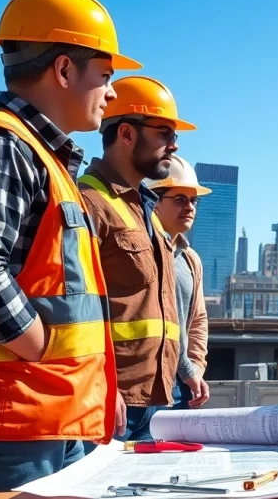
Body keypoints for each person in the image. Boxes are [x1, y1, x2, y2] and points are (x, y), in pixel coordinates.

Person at [0, 0, 139, 493]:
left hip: (48, 416)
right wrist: (40, 347)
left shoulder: (42, 157)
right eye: (105, 76)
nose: (111, 94)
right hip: (10, 421)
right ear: (65, 69)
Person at [79, 75, 195, 442]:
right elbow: (76, 310)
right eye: (164, 133)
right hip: (111, 403)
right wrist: (101, 382)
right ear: (127, 133)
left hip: (156, 400)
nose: (174, 145)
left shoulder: (146, 212)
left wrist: (183, 371)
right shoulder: (89, 203)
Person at [148, 155, 211, 410]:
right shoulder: (141, 251)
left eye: (193, 200)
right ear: (154, 201)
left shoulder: (190, 259)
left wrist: (195, 368)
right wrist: (188, 369)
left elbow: (198, 320)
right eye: (179, 200)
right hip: (142, 381)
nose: (190, 207)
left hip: (182, 383)